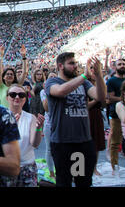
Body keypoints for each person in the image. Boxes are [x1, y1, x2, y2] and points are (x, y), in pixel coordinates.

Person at [45, 52, 106, 187]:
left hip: (83, 141)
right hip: (62, 142)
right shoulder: (52, 81)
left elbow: (100, 96)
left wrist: (99, 76)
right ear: (61, 66)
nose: (75, 66)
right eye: (71, 63)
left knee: (82, 181)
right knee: (64, 181)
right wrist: (84, 76)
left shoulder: (84, 83)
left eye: (76, 63)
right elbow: (60, 91)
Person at [5, 84, 44, 187]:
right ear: (7, 98)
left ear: (25, 99)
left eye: (21, 95)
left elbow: (34, 144)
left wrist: (38, 128)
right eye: (13, 94)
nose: (17, 97)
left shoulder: (31, 118)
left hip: (27, 167)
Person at [106, 58, 125, 174]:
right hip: (115, 115)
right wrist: (124, 99)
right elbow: (109, 97)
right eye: (120, 64)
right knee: (115, 142)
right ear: (115, 67)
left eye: (124, 64)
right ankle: (114, 167)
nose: (122, 66)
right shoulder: (111, 81)